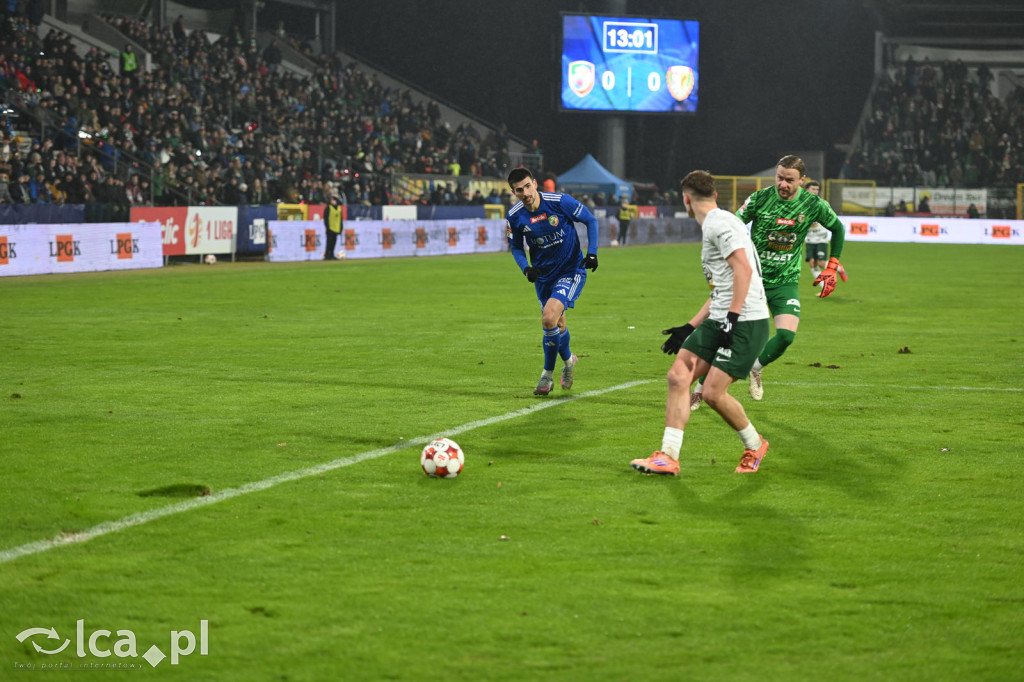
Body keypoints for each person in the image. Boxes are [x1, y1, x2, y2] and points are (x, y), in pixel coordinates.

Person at [631, 170, 771, 476]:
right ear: (716, 195)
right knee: (678, 376)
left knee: (711, 393)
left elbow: (744, 271)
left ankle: (754, 444)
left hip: (746, 321)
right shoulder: (719, 221)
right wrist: (690, 326)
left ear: (686, 200)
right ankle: (667, 456)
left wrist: (732, 319)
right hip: (723, 317)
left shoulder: (718, 224)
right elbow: (723, 286)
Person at [506, 167, 599, 396]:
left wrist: (593, 252)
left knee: (548, 318)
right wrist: (525, 268)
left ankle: (546, 375)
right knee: (558, 325)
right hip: (543, 276)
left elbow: (591, 220)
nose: (525, 192)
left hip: (570, 270)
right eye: (519, 190)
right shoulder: (515, 215)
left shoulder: (560, 202)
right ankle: (569, 363)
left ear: (535, 183)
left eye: (528, 186)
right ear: (514, 192)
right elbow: (516, 247)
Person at [802, 181, 831, 284]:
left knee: (821, 263)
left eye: (817, 190)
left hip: (821, 238)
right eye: (813, 189)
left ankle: (839, 269)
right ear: (806, 190)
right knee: (812, 263)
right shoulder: (801, 205)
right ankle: (824, 287)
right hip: (809, 239)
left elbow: (829, 218)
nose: (815, 191)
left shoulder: (823, 203)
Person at [323, 194, 344, 260]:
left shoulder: (339, 209)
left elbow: (340, 219)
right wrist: (327, 226)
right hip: (330, 228)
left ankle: (331, 254)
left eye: (333, 200)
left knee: (333, 243)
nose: (332, 201)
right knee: (329, 242)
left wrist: (341, 227)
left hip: (336, 228)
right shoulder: (328, 208)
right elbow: (325, 218)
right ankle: (327, 255)